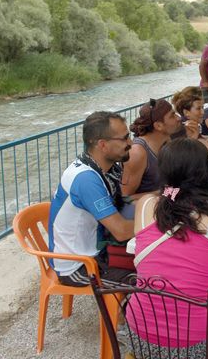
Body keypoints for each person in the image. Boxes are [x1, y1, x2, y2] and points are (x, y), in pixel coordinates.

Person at [127, 138, 208, 358]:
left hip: (140, 338)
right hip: (198, 345)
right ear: (206, 171)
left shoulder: (146, 204)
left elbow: (170, 195)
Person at [49, 111, 135, 287]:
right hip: (78, 266)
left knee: (155, 264)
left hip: (97, 252)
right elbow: (121, 231)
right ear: (102, 145)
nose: (131, 143)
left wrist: (155, 199)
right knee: (152, 283)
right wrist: (161, 219)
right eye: (125, 138)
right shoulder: (87, 180)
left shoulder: (101, 168)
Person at [122, 99, 188, 199]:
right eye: (172, 115)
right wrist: (165, 192)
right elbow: (126, 197)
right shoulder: (138, 153)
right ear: (158, 126)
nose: (178, 118)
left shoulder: (166, 141)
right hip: (146, 208)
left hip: (166, 201)